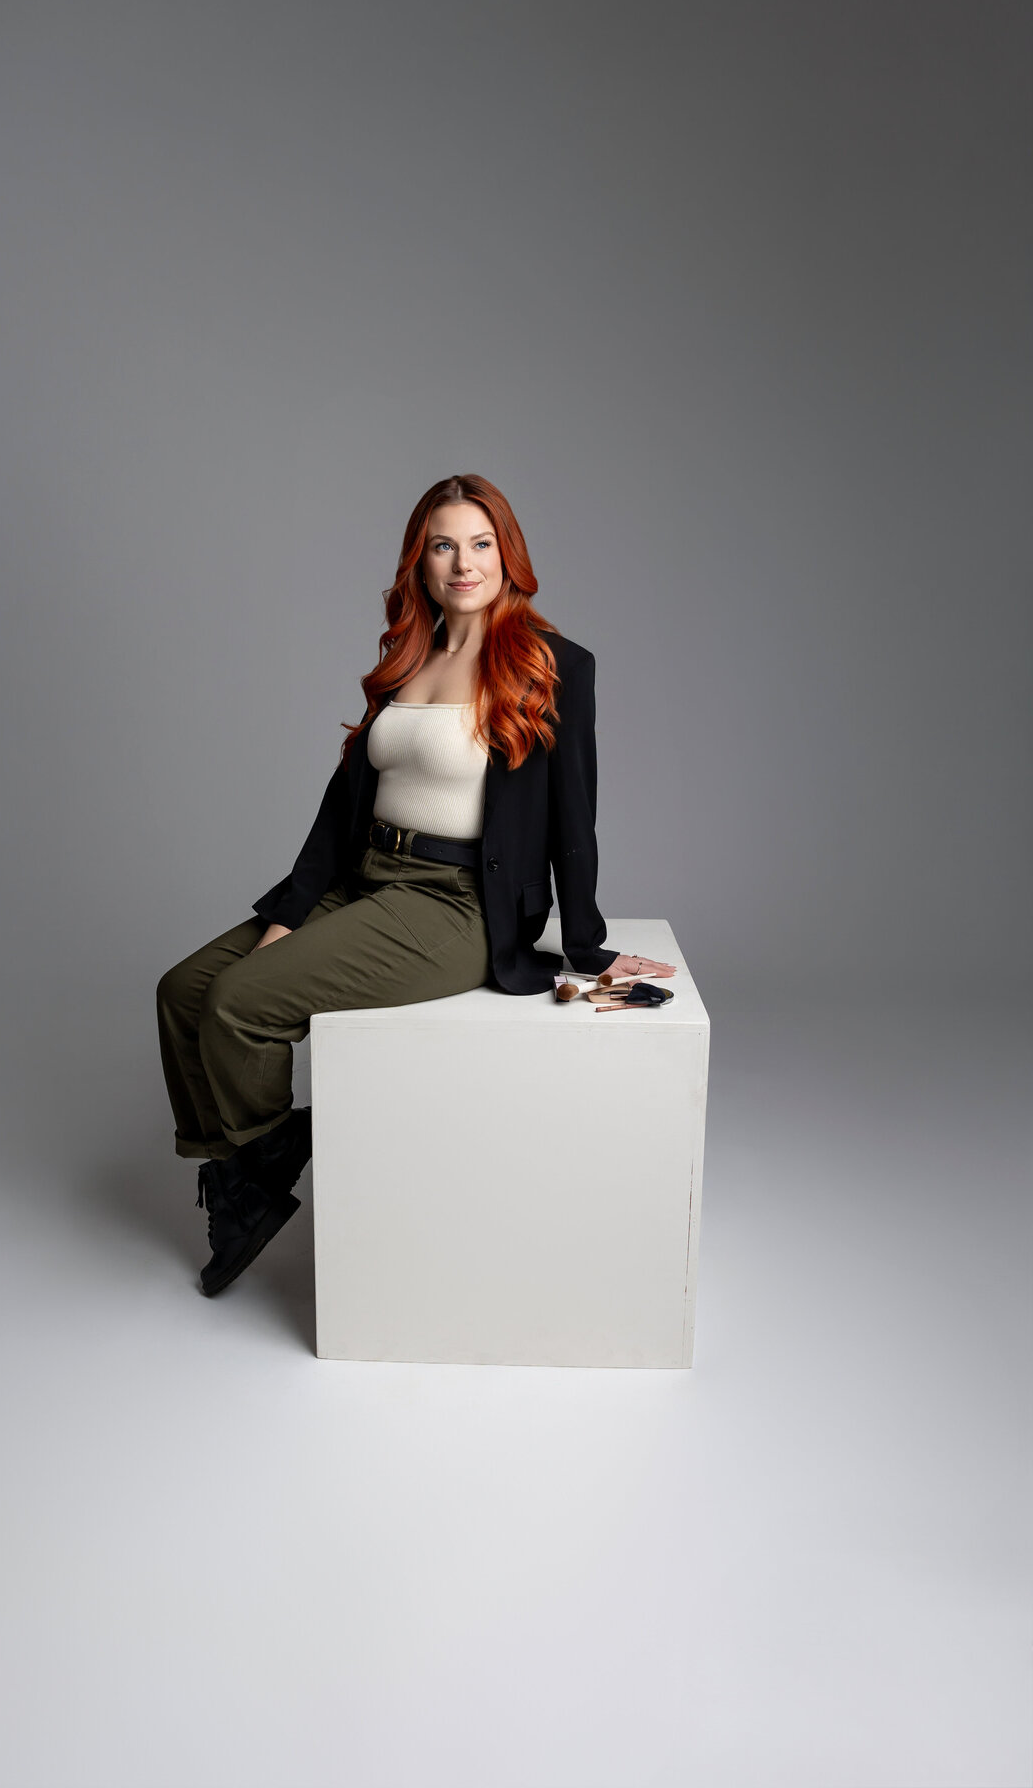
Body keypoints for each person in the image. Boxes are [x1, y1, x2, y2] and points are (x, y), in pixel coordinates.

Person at [156, 473, 675, 1298]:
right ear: (420, 561)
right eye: (444, 545)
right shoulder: (407, 658)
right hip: (366, 877)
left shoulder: (553, 666)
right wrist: (291, 912)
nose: (463, 563)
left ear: (507, 555)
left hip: (454, 903)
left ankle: (254, 1171)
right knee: (184, 991)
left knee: (240, 1003)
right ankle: (248, 1171)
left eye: (480, 543)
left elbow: (576, 821)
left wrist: (586, 947)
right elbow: (341, 810)